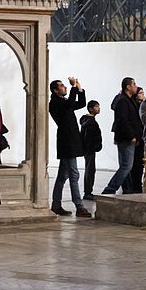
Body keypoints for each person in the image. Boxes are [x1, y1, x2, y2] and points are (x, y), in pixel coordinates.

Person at [49, 77, 90, 218]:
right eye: (62, 86)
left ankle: (56, 205)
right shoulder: (55, 102)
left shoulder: (64, 102)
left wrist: (79, 89)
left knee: (62, 176)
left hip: (70, 141)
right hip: (66, 142)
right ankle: (79, 206)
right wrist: (73, 88)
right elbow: (71, 103)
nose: (64, 87)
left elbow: (82, 103)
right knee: (74, 174)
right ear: (55, 90)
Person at [102, 77, 142, 195]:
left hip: (129, 138)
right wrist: (132, 136)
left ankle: (126, 189)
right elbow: (123, 121)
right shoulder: (123, 101)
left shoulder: (129, 100)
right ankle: (110, 189)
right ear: (128, 87)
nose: (136, 86)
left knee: (125, 166)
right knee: (126, 166)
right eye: (134, 84)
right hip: (126, 139)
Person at [80, 100, 102, 201]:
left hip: (88, 150)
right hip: (89, 151)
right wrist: (94, 147)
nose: (98, 108)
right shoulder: (90, 122)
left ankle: (88, 191)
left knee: (90, 170)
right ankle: (88, 192)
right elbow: (88, 138)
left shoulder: (87, 120)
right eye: (96, 107)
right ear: (90, 108)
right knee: (90, 171)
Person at [131, 87, 145, 194]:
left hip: (142, 138)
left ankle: (137, 184)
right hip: (136, 138)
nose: (143, 94)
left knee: (140, 164)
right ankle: (134, 185)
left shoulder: (143, 104)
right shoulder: (134, 105)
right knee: (134, 164)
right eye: (140, 93)